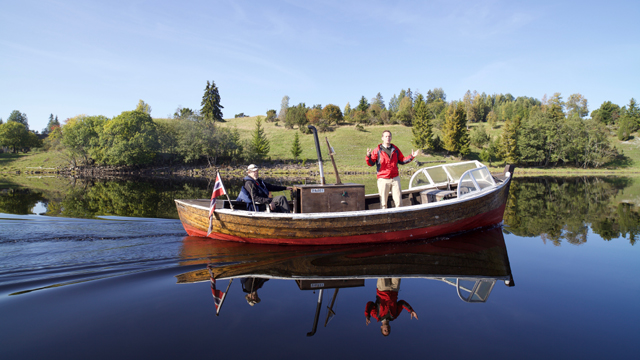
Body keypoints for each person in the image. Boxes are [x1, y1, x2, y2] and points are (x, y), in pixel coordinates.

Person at [366, 130, 419, 209]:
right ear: (382, 138)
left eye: (389, 136)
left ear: (391, 138)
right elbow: (371, 163)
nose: (388, 138)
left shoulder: (395, 149)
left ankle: (399, 218)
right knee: (383, 204)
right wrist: (368, 156)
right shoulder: (377, 150)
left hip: (395, 179)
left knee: (399, 203)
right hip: (383, 179)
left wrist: (412, 156)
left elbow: (402, 160)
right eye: (386, 136)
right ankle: (384, 218)